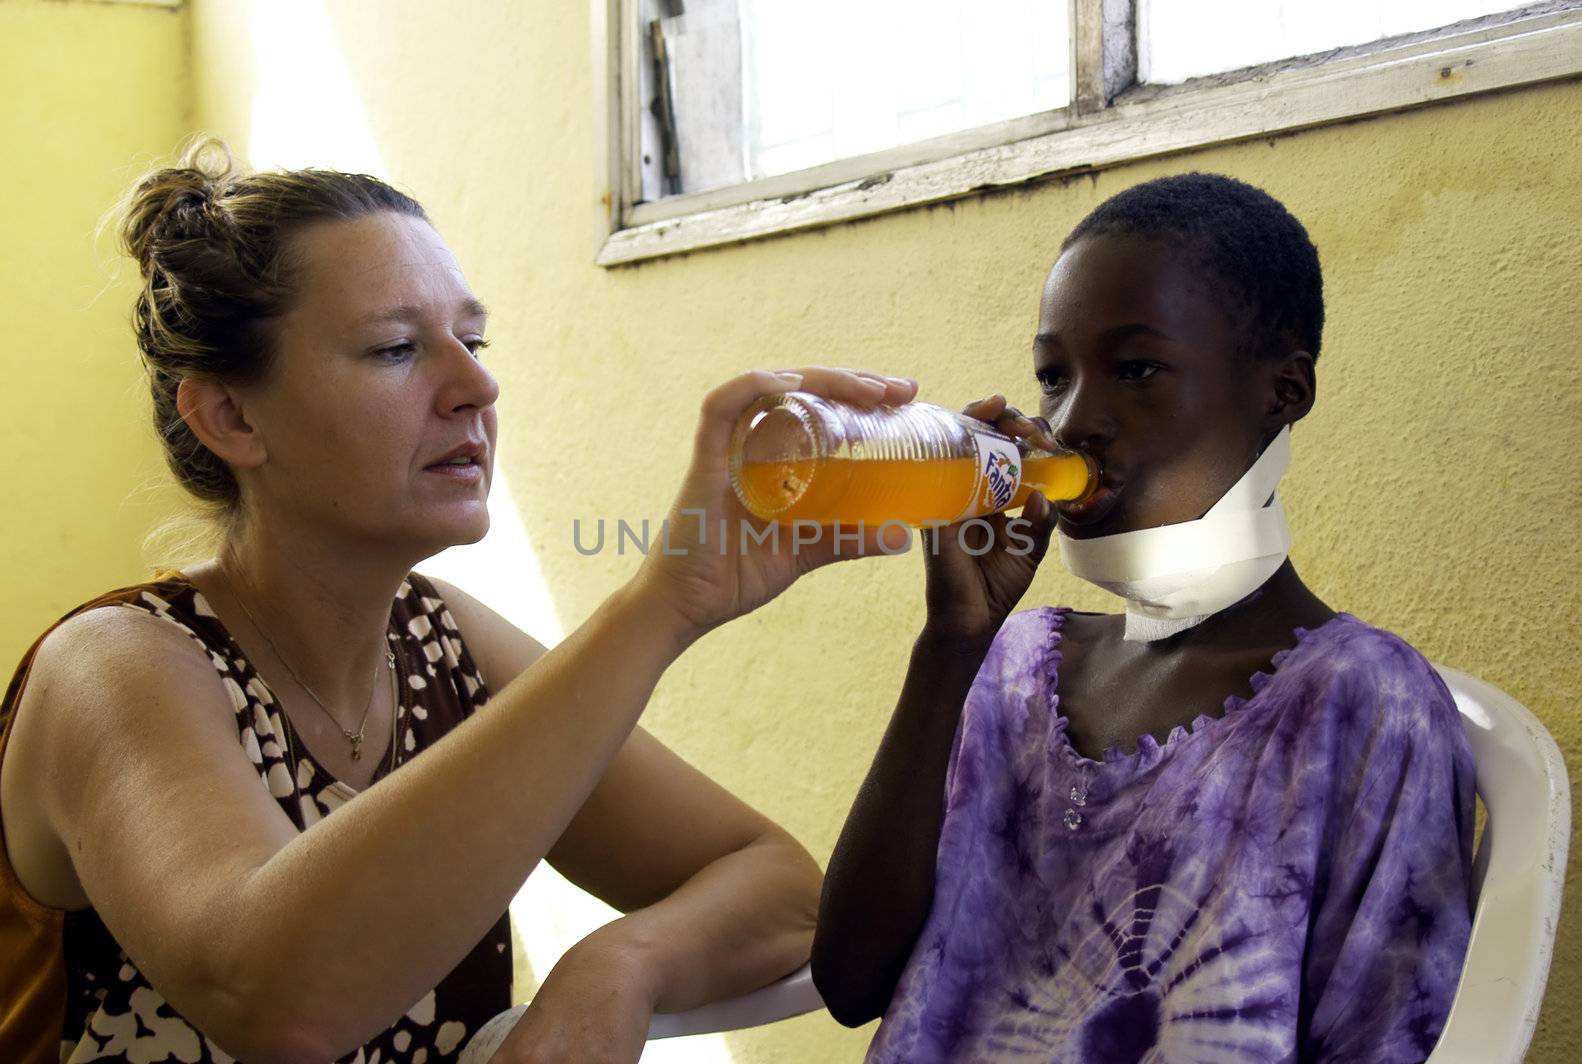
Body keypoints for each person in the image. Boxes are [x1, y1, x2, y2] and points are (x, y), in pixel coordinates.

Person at [0, 138, 918, 1064]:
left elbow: (784, 892)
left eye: (472, 341)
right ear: (232, 418)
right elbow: (279, 1002)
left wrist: (619, 966)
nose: (477, 387)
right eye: (397, 349)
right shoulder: (116, 668)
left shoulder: (443, 644)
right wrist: (659, 605)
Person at [812, 173, 1476, 1063]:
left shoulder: (1363, 704)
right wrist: (949, 648)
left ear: (1283, 390)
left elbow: (1386, 1036)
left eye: (1136, 370)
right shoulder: (1014, 664)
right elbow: (852, 985)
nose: (1074, 420)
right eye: (1055, 377)